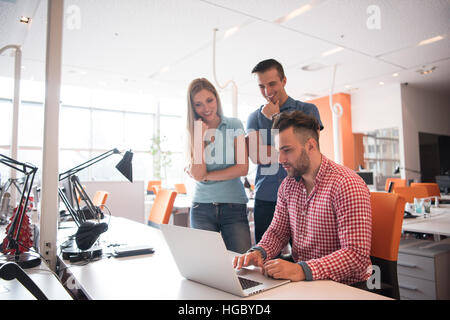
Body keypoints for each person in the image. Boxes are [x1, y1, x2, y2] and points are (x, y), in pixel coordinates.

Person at [234, 111, 372, 285]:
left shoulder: (346, 184)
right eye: (279, 151)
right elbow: (278, 232)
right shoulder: (288, 185)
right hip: (307, 282)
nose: (280, 159)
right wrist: (259, 252)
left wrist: (301, 269)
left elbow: (356, 256)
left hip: (347, 286)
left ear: (311, 145)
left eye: (287, 150)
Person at [246, 59, 324, 244]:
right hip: (266, 198)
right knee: (265, 259)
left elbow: (309, 151)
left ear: (284, 81)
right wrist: (291, 148)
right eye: (261, 86)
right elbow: (258, 156)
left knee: (305, 256)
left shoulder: (307, 110)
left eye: (272, 83)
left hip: (303, 195)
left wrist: (275, 118)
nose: (267, 92)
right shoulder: (254, 117)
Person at [185, 78, 251, 254]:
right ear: (192, 107)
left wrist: (207, 176)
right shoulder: (193, 131)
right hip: (202, 207)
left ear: (216, 98)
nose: (206, 108)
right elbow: (198, 173)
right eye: (198, 104)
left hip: (233, 206)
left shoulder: (233, 124)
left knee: (242, 267)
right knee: (206, 266)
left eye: (209, 100)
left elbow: (242, 168)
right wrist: (199, 136)